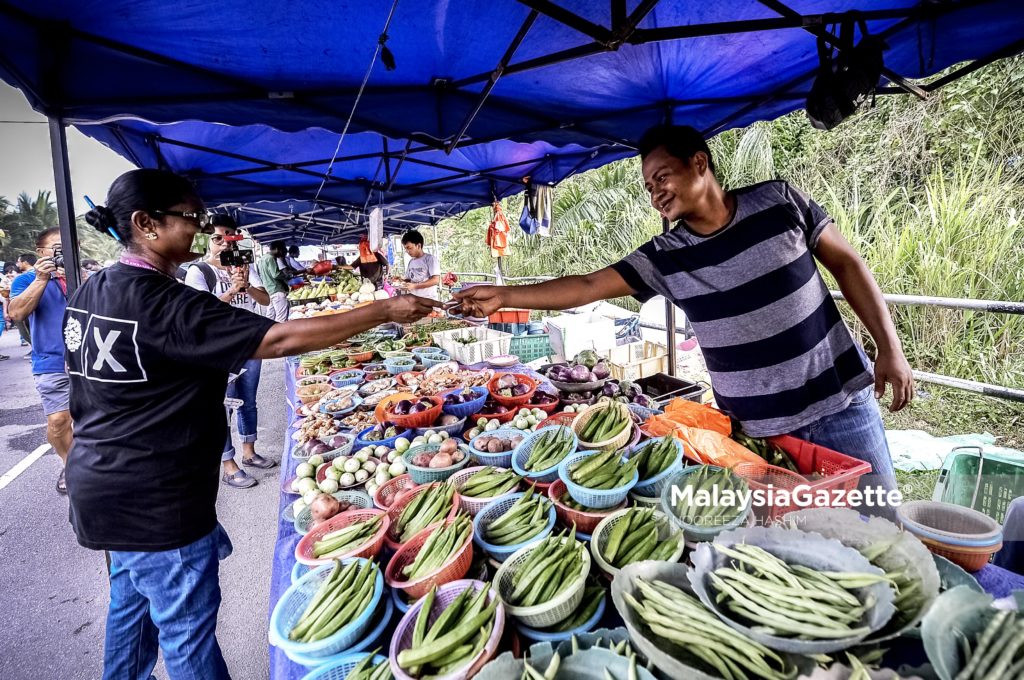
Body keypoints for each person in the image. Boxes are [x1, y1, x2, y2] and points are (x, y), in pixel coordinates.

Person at [70, 168, 438, 680]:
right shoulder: (167, 302)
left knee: (131, 616)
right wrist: (382, 310)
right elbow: (281, 340)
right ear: (145, 223)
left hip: (102, 486)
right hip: (156, 497)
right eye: (189, 218)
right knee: (186, 636)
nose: (199, 230)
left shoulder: (94, 289)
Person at [455, 125, 913, 510]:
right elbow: (590, 285)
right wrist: (507, 294)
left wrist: (890, 348)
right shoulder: (666, 257)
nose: (656, 194)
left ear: (699, 163)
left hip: (841, 406)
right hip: (754, 436)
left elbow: (849, 264)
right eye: (649, 187)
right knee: (807, 550)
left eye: (661, 178)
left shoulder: (779, 202)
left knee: (884, 530)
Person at [185, 214, 276, 489]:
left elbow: (266, 299)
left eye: (230, 237)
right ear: (207, 242)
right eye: (217, 238)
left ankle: (249, 452)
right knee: (221, 407)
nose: (224, 243)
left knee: (248, 401)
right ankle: (228, 464)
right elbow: (201, 312)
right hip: (218, 350)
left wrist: (246, 285)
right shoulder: (199, 272)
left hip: (249, 344)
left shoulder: (245, 265)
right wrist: (231, 291)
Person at [8, 229, 72, 494]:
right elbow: (17, 312)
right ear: (41, 253)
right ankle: (69, 463)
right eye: (58, 247)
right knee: (58, 421)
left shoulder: (83, 277)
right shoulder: (25, 280)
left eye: (69, 246)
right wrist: (42, 278)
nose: (64, 252)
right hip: (51, 361)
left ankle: (93, 467)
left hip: (91, 361)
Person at [397, 230, 440, 300]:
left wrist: (415, 286)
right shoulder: (411, 261)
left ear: (419, 246)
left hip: (428, 300)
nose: (407, 251)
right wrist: (400, 279)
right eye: (406, 249)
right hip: (414, 299)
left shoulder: (430, 259)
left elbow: (435, 280)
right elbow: (409, 279)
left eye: (409, 248)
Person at [255, 239, 290, 322]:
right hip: (276, 289)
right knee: (282, 317)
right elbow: (276, 274)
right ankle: (281, 334)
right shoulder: (271, 258)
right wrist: (287, 276)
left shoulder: (262, 259)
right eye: (283, 250)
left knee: (270, 315)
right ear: (277, 249)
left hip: (268, 290)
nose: (284, 253)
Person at [14, 253, 35, 346]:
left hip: (26, 312)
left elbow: (15, 303)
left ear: (25, 262)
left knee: (30, 336)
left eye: (18, 262)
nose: (17, 264)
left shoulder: (21, 278)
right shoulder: (45, 274)